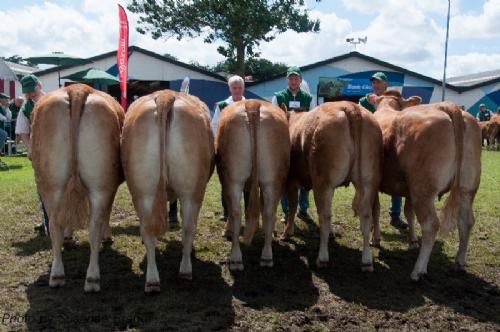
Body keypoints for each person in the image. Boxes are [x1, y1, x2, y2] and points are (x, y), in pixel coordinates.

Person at [359, 72, 408, 230]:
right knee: (369, 181)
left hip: (391, 145)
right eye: (374, 83)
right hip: (370, 146)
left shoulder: (395, 100)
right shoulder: (364, 101)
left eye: (379, 82)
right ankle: (373, 218)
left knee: (397, 177)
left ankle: (395, 215)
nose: (376, 85)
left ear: (386, 84)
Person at [272, 66, 315, 224]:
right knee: (285, 178)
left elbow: (312, 121)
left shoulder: (308, 98)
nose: (293, 81)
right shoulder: (278, 97)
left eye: (296, 78)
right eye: (291, 78)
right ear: (287, 80)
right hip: (285, 143)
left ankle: (303, 210)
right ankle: (287, 211)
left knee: (306, 178)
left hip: (302, 145)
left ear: (300, 80)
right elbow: (274, 120)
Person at [210, 75, 249, 222]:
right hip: (227, 150)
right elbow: (214, 126)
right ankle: (227, 212)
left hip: (246, 150)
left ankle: (248, 211)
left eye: (239, 87)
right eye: (234, 87)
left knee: (248, 182)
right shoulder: (221, 105)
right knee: (226, 180)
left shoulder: (250, 104)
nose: (237, 90)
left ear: (243, 88)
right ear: (229, 88)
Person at [15, 74, 50, 234]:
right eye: (27, 92)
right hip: (39, 151)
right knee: (42, 186)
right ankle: (46, 221)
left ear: (39, 85)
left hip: (59, 150)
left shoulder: (53, 100)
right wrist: (30, 149)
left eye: (33, 90)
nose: (31, 94)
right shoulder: (25, 108)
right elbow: (23, 132)